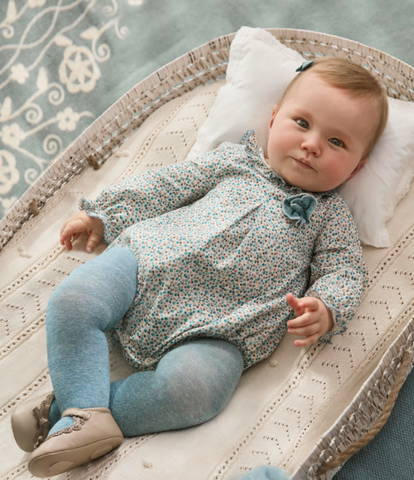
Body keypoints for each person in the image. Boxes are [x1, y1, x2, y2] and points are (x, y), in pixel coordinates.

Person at [11, 57, 388, 478]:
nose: (313, 144)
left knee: (195, 394)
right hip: (146, 263)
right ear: (274, 118)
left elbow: (345, 271)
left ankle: (70, 412)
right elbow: (168, 184)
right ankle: (76, 410)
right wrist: (104, 215)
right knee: (73, 301)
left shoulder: (331, 216)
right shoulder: (234, 160)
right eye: (302, 123)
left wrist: (326, 307)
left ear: (356, 168)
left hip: (223, 329)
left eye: (337, 142)